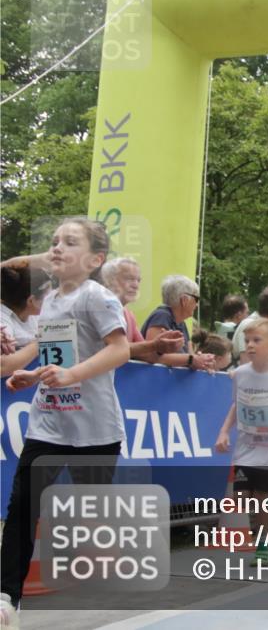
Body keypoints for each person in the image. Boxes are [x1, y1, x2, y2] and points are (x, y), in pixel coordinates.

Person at [1, 218, 130, 621]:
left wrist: (72, 375)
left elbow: (120, 350)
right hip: (49, 422)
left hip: (94, 429)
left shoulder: (98, 298)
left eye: (70, 242)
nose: (57, 247)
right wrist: (33, 375)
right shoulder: (50, 300)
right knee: (23, 506)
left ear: (95, 259)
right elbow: (55, 348)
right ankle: (7, 598)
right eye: (55, 241)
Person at [214, 319, 268, 564]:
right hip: (246, 446)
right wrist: (223, 432)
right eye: (247, 340)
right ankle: (260, 528)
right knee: (242, 497)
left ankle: (262, 545)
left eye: (256, 340)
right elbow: (236, 404)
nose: (250, 345)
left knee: (263, 498)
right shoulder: (239, 374)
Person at [101, 258, 185, 364]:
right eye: (129, 279)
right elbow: (116, 348)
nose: (135, 285)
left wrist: (162, 348)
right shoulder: (100, 307)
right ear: (109, 280)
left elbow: (147, 356)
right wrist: (154, 345)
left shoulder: (129, 315)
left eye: (138, 280)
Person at [140, 274, 215, 371]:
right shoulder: (162, 316)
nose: (197, 305)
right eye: (196, 299)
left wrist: (203, 361)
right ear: (184, 300)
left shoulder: (181, 323)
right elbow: (152, 356)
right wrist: (192, 360)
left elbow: (190, 357)